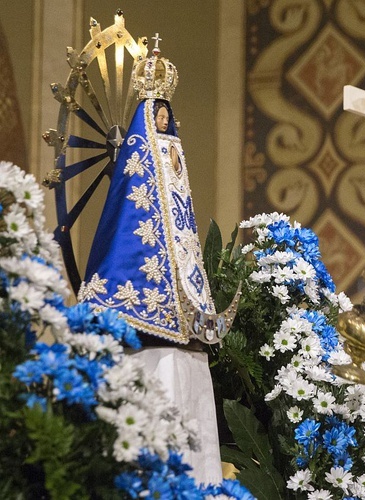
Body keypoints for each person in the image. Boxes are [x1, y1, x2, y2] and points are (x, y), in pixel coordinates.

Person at [78, 46, 226, 484]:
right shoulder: (138, 157)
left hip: (182, 288)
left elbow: (182, 220)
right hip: (141, 273)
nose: (163, 119)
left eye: (166, 112)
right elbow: (126, 216)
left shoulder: (175, 154)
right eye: (156, 112)